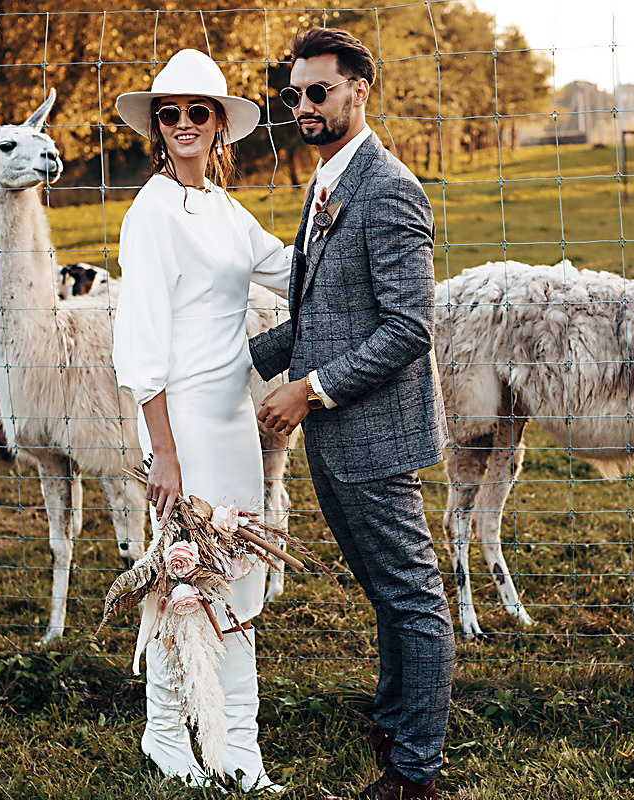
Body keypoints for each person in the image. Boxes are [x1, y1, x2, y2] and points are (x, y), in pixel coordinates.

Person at [251, 27, 454, 800]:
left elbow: (409, 327)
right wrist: (236, 364)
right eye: (293, 93)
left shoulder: (390, 187)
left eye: (318, 92)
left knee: (412, 596)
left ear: (359, 91)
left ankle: (415, 772)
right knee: (384, 591)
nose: (302, 105)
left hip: (371, 430)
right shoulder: (328, 181)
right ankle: (398, 719)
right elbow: (321, 313)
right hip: (335, 437)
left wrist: (309, 390)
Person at [112, 48, 290, 792]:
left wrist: (360, 247)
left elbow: (286, 265)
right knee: (180, 576)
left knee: (238, 571)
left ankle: (238, 746)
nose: (183, 124)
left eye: (198, 112)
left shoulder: (222, 207)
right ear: (158, 126)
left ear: (221, 126)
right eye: (170, 113)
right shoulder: (151, 210)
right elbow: (140, 339)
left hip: (232, 416)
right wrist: (165, 454)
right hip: (182, 419)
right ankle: (166, 734)